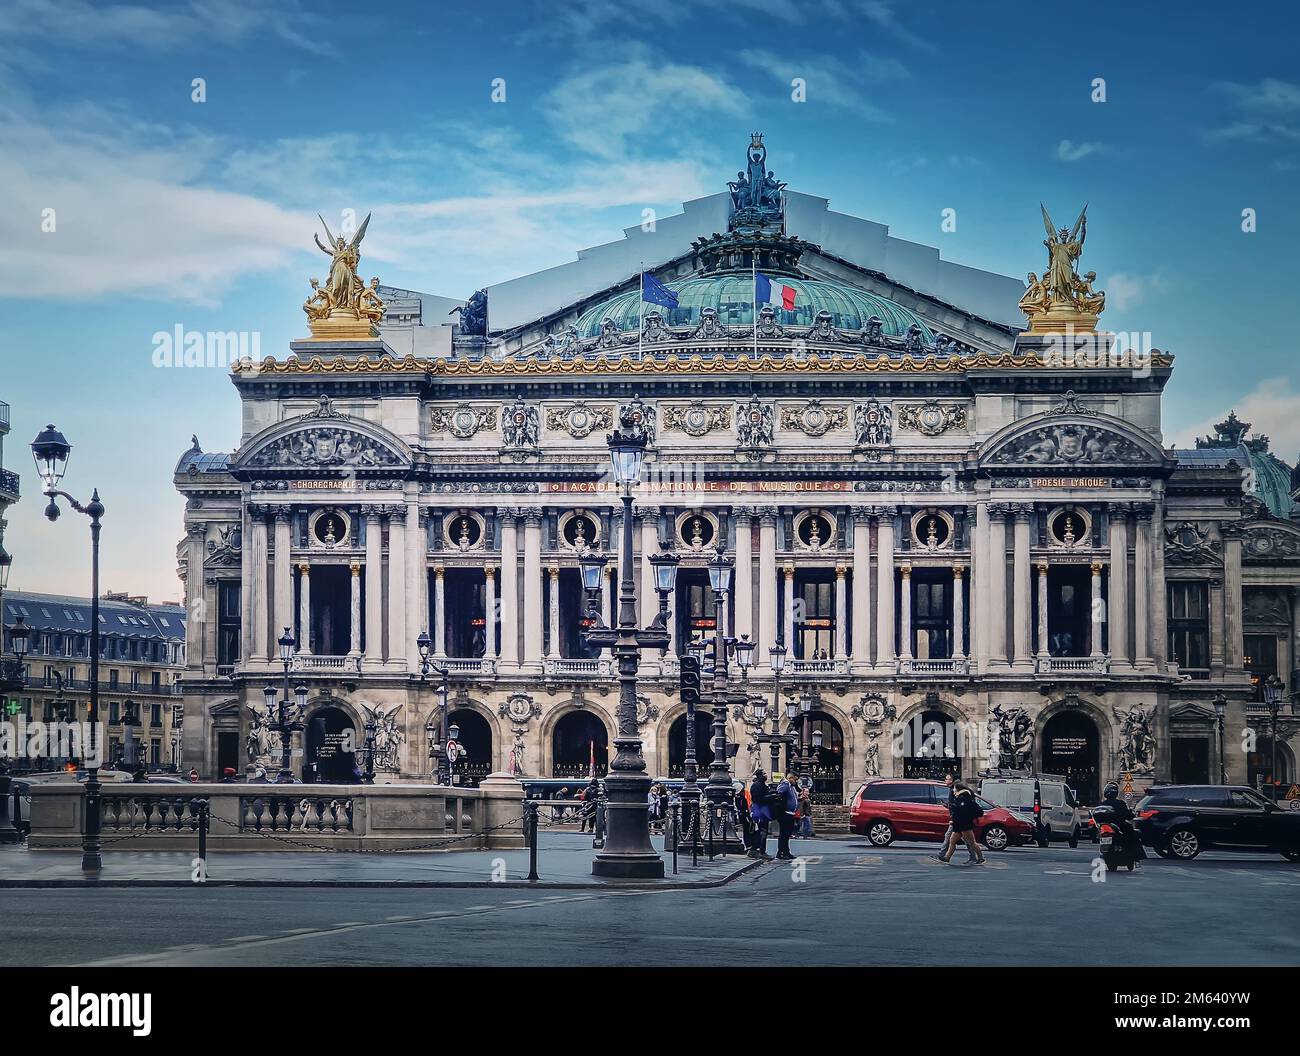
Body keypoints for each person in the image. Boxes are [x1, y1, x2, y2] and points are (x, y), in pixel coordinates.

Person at [937, 781, 985, 864]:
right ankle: (947, 857)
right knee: (952, 841)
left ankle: (980, 858)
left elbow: (962, 812)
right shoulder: (960, 798)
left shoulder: (963, 798)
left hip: (964, 825)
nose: (953, 791)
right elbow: (958, 810)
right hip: (959, 825)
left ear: (958, 789)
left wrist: (954, 819)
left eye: (954, 789)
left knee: (972, 842)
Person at [1101, 780, 1145, 866]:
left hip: (1106, 826)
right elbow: (1128, 815)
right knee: (1133, 835)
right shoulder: (1120, 803)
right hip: (1121, 826)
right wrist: (1131, 815)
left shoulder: (1103, 804)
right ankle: (1137, 857)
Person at [940, 773, 977, 863]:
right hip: (960, 818)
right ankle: (974, 857)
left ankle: (942, 855)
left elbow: (959, 804)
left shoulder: (956, 789)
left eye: (947, 779)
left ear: (952, 780)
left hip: (959, 818)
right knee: (965, 839)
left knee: (949, 837)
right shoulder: (956, 788)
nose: (945, 780)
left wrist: (949, 806)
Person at [748, 769, 773, 859]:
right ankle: (760, 851)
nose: (766, 775)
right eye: (764, 774)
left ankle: (755, 849)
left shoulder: (760, 784)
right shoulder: (757, 785)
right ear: (760, 775)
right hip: (760, 810)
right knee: (762, 831)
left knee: (760, 831)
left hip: (761, 809)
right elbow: (759, 798)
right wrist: (771, 797)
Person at [774, 771, 799, 860]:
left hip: (791, 814)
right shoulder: (786, 784)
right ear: (791, 778)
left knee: (787, 834)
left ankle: (786, 851)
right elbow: (779, 792)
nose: (796, 782)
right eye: (795, 780)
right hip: (785, 814)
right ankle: (781, 852)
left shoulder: (791, 787)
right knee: (784, 834)